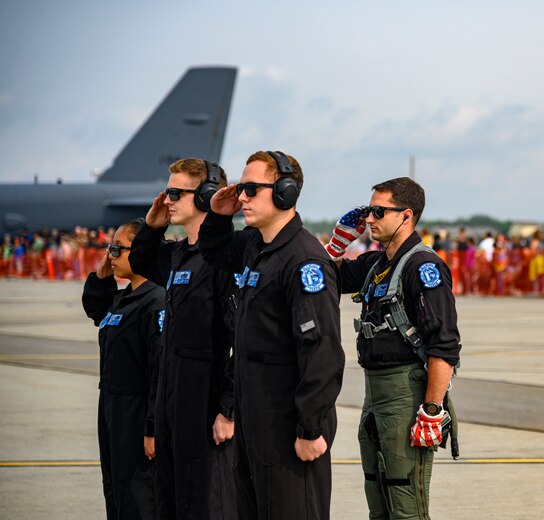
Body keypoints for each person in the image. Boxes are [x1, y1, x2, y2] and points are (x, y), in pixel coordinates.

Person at [199, 150, 344, 519]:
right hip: (254, 425)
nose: (242, 197)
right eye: (241, 188)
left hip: (288, 429)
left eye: (250, 188)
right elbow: (212, 250)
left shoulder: (303, 260)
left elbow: (322, 352)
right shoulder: (254, 246)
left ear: (285, 192)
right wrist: (218, 213)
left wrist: (310, 428)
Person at [325, 177, 462, 520]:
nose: (368, 219)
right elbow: (328, 277)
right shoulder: (376, 263)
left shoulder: (422, 266)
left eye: (378, 211)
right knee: (378, 499)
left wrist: (431, 410)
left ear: (406, 215)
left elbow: (444, 344)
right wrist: (337, 244)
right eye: (368, 211)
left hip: (405, 394)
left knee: (406, 505)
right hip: (374, 395)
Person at [129, 158, 237, 519]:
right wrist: (151, 226)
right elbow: (142, 260)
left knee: (206, 500)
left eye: (176, 192)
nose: (168, 199)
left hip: (205, 397)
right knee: (170, 497)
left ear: (206, 196)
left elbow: (240, 339)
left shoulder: (222, 260)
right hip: (172, 394)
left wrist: (227, 407)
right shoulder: (179, 256)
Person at [82, 219, 165, 520]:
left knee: (139, 495)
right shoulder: (123, 298)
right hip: (112, 408)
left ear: (141, 251)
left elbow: (160, 370)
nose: (111, 255)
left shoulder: (156, 300)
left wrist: (152, 427)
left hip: (137, 409)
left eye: (117, 249)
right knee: (115, 488)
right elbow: (95, 308)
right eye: (109, 248)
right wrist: (103, 272)